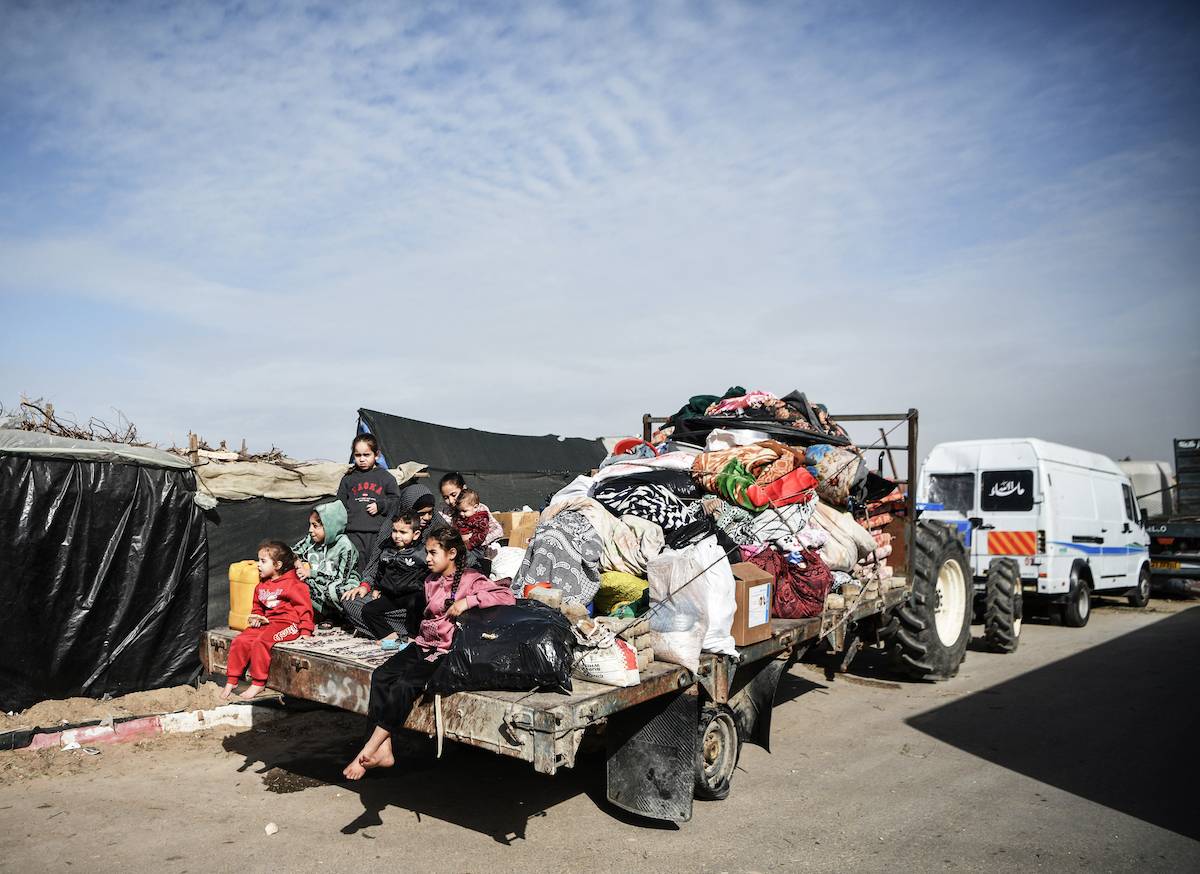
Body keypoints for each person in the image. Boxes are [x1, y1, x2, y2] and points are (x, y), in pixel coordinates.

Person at [342, 528, 515, 779]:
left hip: (446, 650)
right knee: (381, 676)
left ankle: (368, 748)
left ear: (452, 553)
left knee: (404, 685)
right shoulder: (430, 580)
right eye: (427, 552)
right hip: (424, 643)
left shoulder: (471, 579)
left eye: (433, 552)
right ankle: (384, 748)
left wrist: (468, 602)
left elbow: (506, 595)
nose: (428, 558)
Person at [221, 541, 313, 700]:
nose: (258, 565)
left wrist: (305, 630)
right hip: (268, 623)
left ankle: (258, 682)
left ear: (277, 565)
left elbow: (304, 607)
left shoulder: (293, 584)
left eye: (263, 561)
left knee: (261, 642)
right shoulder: (261, 586)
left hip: (289, 625)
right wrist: (256, 617)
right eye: (258, 560)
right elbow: (257, 606)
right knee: (241, 640)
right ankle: (232, 679)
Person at [340, 511, 428, 644]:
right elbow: (380, 571)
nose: (397, 536)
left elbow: (430, 572)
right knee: (369, 610)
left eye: (403, 532)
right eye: (394, 531)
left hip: (412, 595)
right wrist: (376, 588)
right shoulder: (387, 550)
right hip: (391, 597)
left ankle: (411, 636)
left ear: (415, 535)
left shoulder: (421, 553)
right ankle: (389, 636)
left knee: (416, 605)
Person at [338, 434, 401, 574]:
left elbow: (396, 501)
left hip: (378, 534)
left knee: (376, 568)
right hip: (353, 534)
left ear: (376, 455)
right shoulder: (348, 479)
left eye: (366, 455)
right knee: (354, 569)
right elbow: (340, 505)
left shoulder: (386, 478)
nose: (362, 459)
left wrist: (380, 506)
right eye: (357, 455)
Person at [293, 501, 359, 620]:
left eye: (315, 526)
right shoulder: (311, 540)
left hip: (341, 584)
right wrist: (297, 562)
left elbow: (341, 579)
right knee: (296, 581)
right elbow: (289, 552)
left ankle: (347, 616)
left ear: (329, 526)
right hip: (318, 583)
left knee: (333, 590)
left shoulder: (345, 546)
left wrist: (311, 573)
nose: (310, 530)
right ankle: (325, 615)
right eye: (310, 525)